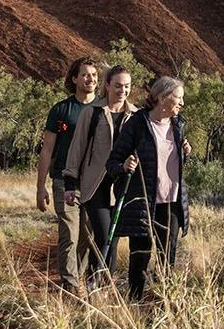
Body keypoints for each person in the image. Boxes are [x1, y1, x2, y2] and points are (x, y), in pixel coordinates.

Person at [105, 75, 192, 301]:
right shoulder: (137, 124)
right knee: (140, 257)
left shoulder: (179, 125)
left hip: (172, 202)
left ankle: (165, 305)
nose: (182, 103)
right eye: (178, 98)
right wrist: (124, 165)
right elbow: (113, 162)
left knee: (167, 259)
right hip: (143, 203)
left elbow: (172, 163)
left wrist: (186, 153)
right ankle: (134, 304)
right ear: (163, 98)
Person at [62, 64, 137, 291]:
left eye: (126, 86)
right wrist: (69, 183)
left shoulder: (136, 115)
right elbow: (77, 149)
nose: (122, 91)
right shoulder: (92, 112)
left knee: (112, 239)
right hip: (95, 185)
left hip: (122, 185)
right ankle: (96, 284)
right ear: (107, 85)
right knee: (104, 235)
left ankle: (102, 288)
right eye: (117, 86)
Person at [37, 57, 99, 291]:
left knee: (87, 236)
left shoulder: (103, 109)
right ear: (74, 79)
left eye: (93, 74)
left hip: (94, 183)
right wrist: (40, 186)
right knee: (69, 234)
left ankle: (78, 279)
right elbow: (47, 150)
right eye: (85, 74)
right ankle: (71, 287)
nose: (90, 78)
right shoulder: (61, 110)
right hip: (65, 181)